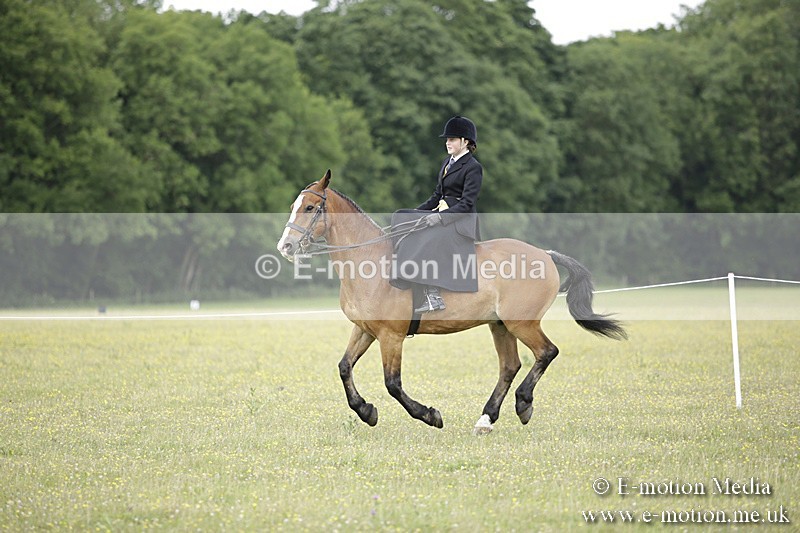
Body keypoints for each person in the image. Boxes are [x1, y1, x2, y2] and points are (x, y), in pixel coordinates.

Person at [390, 116, 483, 313]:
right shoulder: (447, 162)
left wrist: (441, 217)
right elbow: (436, 196)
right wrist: (416, 213)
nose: (447, 143)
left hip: (460, 221)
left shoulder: (473, 167)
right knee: (401, 216)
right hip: (441, 212)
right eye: (447, 139)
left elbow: (467, 203)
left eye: (452, 139)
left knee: (430, 237)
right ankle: (403, 274)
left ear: (465, 141)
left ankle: (433, 295)